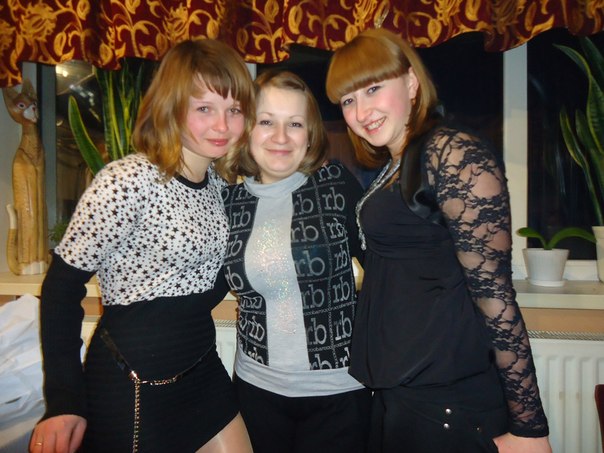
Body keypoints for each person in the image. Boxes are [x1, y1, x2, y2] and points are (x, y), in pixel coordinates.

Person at [325, 28, 552, 453]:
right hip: (404, 390)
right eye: (348, 100)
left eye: (373, 89)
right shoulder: (396, 163)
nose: (361, 111)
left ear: (411, 83)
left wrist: (530, 427)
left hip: (446, 398)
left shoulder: (450, 151)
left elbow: (495, 294)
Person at [30, 38, 255, 453]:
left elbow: (199, 284)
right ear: (172, 107)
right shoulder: (127, 181)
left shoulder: (221, 188)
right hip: (132, 380)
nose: (222, 126)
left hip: (203, 370)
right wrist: (64, 400)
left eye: (235, 110)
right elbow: (61, 289)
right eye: (204, 108)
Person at [220, 69, 372, 453]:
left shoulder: (335, 183)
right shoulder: (229, 203)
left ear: (310, 135)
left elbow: (384, 269)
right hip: (255, 391)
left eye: (295, 124)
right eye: (266, 121)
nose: (281, 136)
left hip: (339, 395)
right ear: (247, 129)